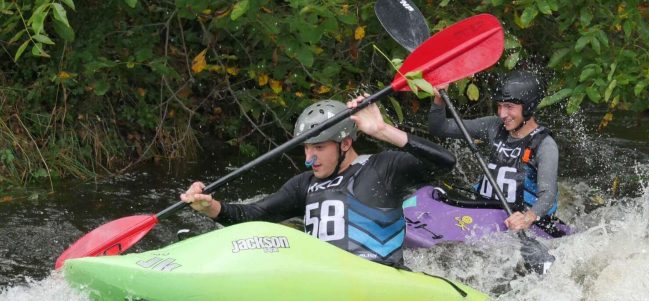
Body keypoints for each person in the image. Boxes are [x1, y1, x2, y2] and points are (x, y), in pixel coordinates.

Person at [181, 96, 456, 267]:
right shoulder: (304, 185)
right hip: (324, 277)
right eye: (306, 148)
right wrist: (212, 208)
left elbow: (444, 162)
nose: (310, 159)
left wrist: (383, 130)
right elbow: (256, 214)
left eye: (320, 148)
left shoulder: (383, 168)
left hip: (379, 278)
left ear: (345, 143)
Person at [428, 70, 569, 239]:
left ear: (529, 107)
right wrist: (438, 99)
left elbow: (548, 194)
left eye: (509, 107)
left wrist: (527, 218)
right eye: (500, 106)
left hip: (518, 218)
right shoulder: (493, 127)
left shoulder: (545, 145)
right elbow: (440, 128)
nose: (502, 114)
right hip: (484, 209)